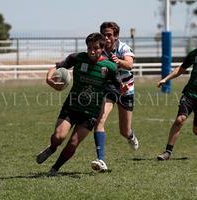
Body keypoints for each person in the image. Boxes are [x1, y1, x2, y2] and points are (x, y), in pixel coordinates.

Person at [36, 32, 117, 176]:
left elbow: (117, 85)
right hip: (72, 107)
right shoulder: (77, 58)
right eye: (89, 47)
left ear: (102, 48)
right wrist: (49, 79)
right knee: (58, 137)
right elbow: (56, 67)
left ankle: (55, 169)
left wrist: (121, 88)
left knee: (73, 143)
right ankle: (52, 148)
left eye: (96, 48)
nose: (92, 51)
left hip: (91, 113)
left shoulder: (109, 67)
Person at [91, 22, 139, 172]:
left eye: (109, 35)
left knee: (124, 131)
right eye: (104, 34)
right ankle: (101, 160)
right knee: (100, 120)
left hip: (126, 91)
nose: (106, 37)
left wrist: (119, 62)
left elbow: (130, 64)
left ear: (116, 36)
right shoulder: (100, 50)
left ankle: (131, 136)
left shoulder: (123, 48)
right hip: (110, 89)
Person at [157, 48, 197, 160]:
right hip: (189, 94)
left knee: (196, 130)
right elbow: (181, 68)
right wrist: (166, 79)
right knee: (180, 119)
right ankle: (167, 152)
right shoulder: (194, 53)